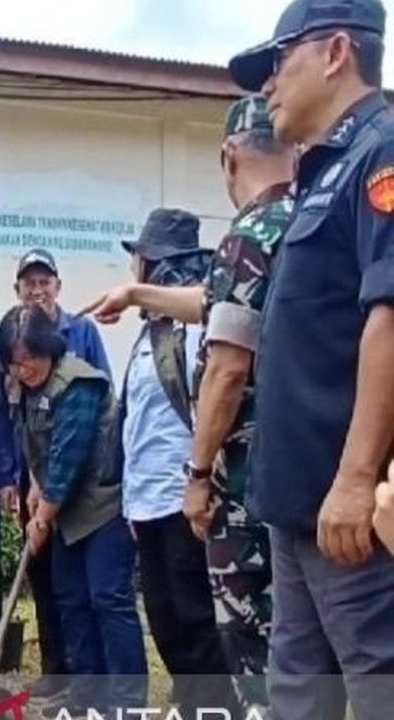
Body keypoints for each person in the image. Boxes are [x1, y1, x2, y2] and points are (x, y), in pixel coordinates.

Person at [85, 94, 293, 712]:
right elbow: (214, 302)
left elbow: (225, 371)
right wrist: (135, 295)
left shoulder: (251, 235)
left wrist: (198, 475)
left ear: (229, 157)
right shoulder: (309, 223)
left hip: (235, 488)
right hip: (277, 478)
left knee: (240, 643)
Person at [225, 0, 394, 717]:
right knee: (298, 694)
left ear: (335, 52)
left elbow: (390, 315)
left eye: (278, 61)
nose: (267, 84)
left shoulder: (381, 153)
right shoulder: (324, 170)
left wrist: (356, 480)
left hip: (349, 512)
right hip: (298, 504)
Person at [0, 306, 147, 718]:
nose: (23, 369)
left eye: (30, 358)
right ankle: (86, 698)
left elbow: (67, 461)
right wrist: (35, 484)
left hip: (103, 510)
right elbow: (36, 445)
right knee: (72, 600)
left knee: (108, 599)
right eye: (14, 362)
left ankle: (127, 704)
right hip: (68, 515)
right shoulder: (28, 388)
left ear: (49, 347)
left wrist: (41, 519)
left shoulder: (78, 384)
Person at [115, 209, 236, 714]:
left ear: (153, 262)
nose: (133, 268)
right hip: (147, 503)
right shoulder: (151, 332)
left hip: (184, 500)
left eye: (138, 258)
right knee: (165, 621)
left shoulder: (196, 329)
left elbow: (216, 402)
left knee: (197, 622)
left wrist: (201, 480)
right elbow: (139, 421)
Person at [0, 248, 111, 704]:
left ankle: (109, 690)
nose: (38, 290)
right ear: (18, 290)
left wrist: (44, 511)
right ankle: (61, 673)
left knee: (100, 595)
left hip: (86, 484)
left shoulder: (81, 335)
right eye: (30, 283)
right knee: (56, 584)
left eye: (45, 282)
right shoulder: (10, 342)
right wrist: (20, 478)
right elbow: (10, 420)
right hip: (41, 475)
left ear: (57, 286)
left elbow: (93, 415)